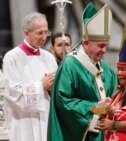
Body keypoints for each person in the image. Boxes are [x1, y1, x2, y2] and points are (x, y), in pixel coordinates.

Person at [47, 2, 117, 141]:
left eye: (106, 46)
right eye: (100, 46)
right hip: (82, 135)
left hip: (105, 132)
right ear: (86, 43)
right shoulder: (70, 65)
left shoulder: (105, 67)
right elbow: (64, 102)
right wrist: (95, 108)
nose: (104, 51)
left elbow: (115, 94)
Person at [3, 12, 58, 141]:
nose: (44, 37)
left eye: (46, 32)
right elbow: (12, 93)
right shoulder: (12, 58)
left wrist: (52, 88)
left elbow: (56, 91)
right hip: (23, 123)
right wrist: (40, 86)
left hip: (45, 119)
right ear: (26, 32)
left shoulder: (49, 58)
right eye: (40, 33)